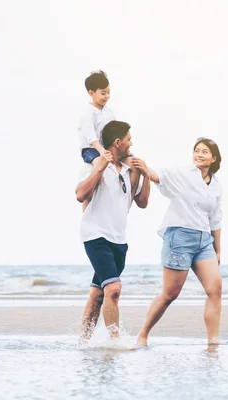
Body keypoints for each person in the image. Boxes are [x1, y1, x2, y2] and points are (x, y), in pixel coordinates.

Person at [131, 137, 223, 346]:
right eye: (197, 151)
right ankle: (143, 334)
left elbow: (216, 218)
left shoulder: (217, 185)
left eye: (204, 152)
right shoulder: (183, 174)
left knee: (215, 288)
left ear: (214, 158)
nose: (199, 154)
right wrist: (145, 168)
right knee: (170, 294)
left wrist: (218, 249)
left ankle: (213, 340)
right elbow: (158, 176)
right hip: (179, 237)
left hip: (203, 240)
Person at [75, 120, 151, 342]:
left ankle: (84, 341)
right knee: (114, 289)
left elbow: (142, 202)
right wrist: (99, 167)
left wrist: (146, 175)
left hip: (118, 239)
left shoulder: (130, 170)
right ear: (118, 142)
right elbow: (80, 194)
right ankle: (115, 341)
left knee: (99, 294)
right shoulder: (94, 165)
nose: (131, 143)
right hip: (95, 235)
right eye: (129, 139)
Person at [77, 70, 139, 210]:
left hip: (107, 149)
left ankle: (127, 200)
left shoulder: (109, 112)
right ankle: (88, 207)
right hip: (92, 150)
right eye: (103, 93)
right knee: (100, 165)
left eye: (108, 92)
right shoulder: (88, 113)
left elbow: (114, 132)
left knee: (133, 164)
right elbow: (90, 136)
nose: (107, 96)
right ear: (91, 93)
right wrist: (102, 152)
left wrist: (125, 150)